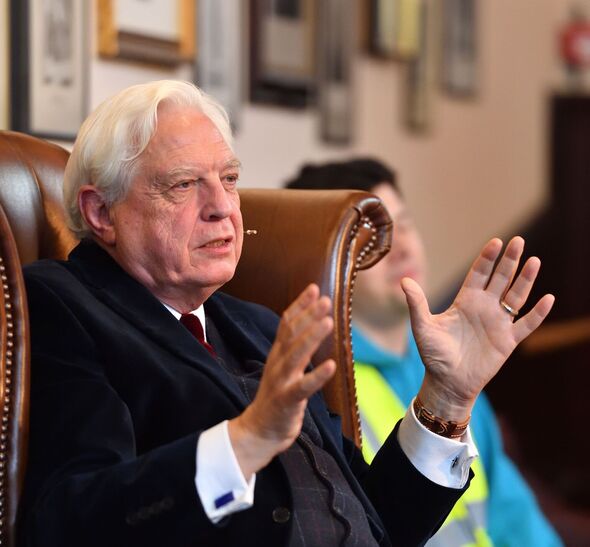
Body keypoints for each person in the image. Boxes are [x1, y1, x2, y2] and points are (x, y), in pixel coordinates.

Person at [19, 81, 554, 547]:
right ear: (100, 212)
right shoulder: (62, 307)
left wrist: (447, 397)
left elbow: (377, 520)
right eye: (184, 184)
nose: (222, 207)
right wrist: (247, 439)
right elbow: (69, 522)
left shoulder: (259, 325)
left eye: (228, 179)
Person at [285, 158, 563, 547]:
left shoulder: (457, 368)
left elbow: (515, 520)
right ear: (325, 261)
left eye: (404, 222)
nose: (399, 246)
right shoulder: (321, 387)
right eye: (372, 238)